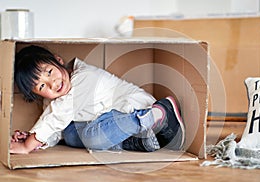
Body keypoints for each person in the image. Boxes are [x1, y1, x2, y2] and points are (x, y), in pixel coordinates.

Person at [10, 45, 185, 154]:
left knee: (91, 139)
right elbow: (57, 127)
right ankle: (139, 139)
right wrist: (33, 139)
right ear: (37, 95)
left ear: (58, 60)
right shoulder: (56, 99)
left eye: (49, 72)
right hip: (108, 121)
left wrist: (27, 145)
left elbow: (56, 118)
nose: (52, 83)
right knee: (70, 135)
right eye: (42, 87)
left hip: (132, 109)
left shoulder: (83, 77)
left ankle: (157, 114)